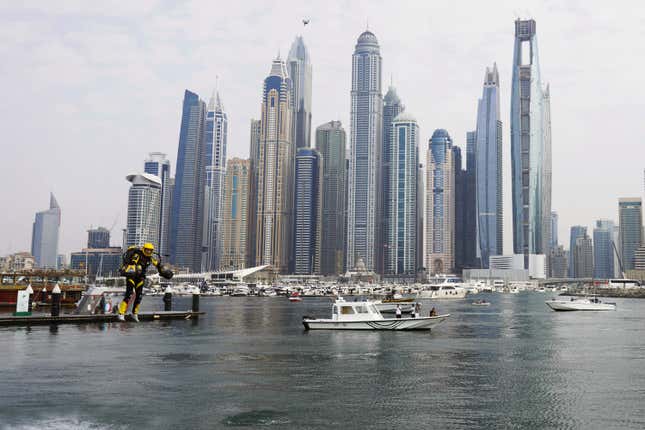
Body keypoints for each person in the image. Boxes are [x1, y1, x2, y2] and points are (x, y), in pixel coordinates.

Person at [118, 243, 173, 322]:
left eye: (150, 250)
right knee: (129, 294)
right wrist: (136, 267)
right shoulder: (137, 255)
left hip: (140, 278)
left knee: (139, 296)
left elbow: (157, 264)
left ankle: (135, 313)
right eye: (147, 250)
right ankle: (121, 313)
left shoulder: (150, 258)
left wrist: (164, 270)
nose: (148, 252)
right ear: (144, 249)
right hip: (132, 276)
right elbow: (133, 262)